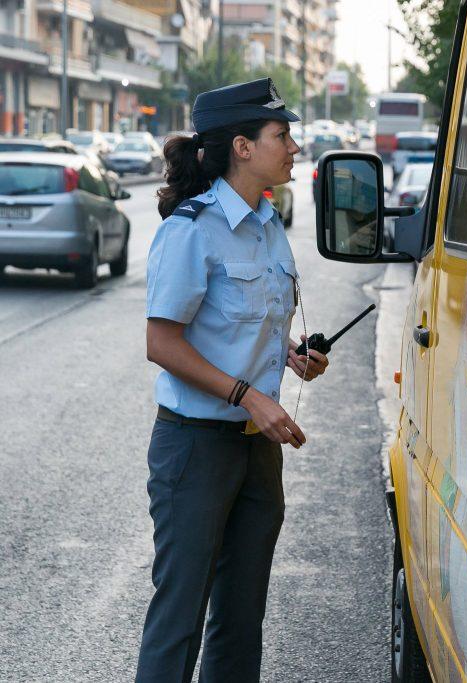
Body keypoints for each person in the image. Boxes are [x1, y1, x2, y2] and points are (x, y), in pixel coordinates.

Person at [136, 78, 329, 682]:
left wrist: (295, 353)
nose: (295, 147)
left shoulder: (268, 221)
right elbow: (162, 342)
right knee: (180, 615)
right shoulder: (191, 228)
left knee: (242, 618)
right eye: (283, 135)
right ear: (242, 147)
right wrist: (249, 395)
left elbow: (244, 322)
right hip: (196, 447)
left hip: (256, 450)